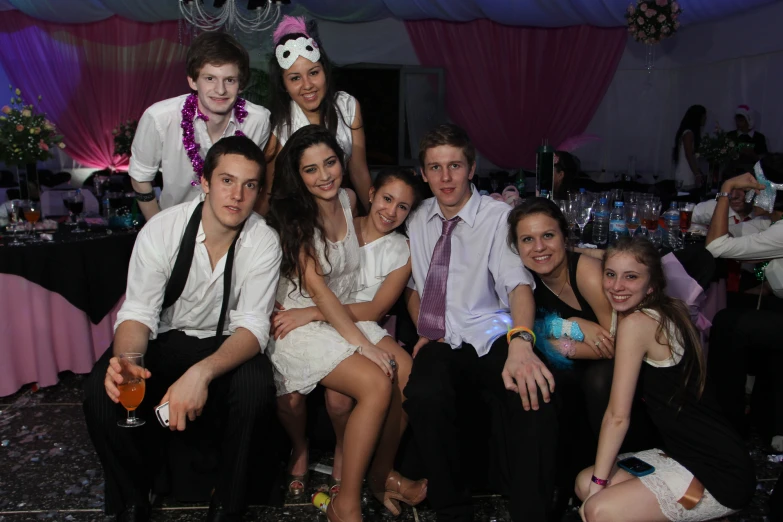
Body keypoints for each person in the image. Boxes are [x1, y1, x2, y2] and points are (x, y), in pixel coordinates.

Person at [83, 136, 282, 522]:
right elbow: (138, 313)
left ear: (258, 193)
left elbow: (254, 329)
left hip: (226, 344)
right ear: (205, 182)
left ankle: (228, 502)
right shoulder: (162, 230)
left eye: (250, 185)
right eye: (227, 180)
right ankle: (133, 500)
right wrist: (127, 363)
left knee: (256, 386)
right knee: (100, 390)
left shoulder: (263, 241)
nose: (237, 195)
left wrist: (202, 373)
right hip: (163, 338)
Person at [265, 125, 426, 522]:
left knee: (408, 373)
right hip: (297, 322)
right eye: (310, 169)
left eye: (331, 163)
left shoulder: (348, 198)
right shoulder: (295, 216)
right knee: (376, 380)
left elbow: (349, 285)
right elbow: (318, 292)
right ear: (297, 175)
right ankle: (346, 503)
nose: (324, 176)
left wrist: (363, 338)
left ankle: (381, 473)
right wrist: (365, 345)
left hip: (338, 315)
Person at [403, 123, 557, 522]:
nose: (445, 177)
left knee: (531, 391)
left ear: (471, 169)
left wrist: (521, 343)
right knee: (423, 392)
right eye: (435, 168)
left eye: (455, 165)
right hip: (442, 338)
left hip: (491, 334)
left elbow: (518, 285)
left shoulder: (497, 217)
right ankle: (452, 510)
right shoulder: (417, 217)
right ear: (423, 173)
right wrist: (424, 325)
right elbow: (411, 286)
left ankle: (531, 512)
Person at [575, 237, 756, 522]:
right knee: (584, 482)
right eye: (610, 274)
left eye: (630, 277)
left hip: (718, 471)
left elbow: (617, 417)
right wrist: (576, 249)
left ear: (652, 284)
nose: (616, 286)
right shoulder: (670, 307)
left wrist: (599, 489)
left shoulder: (637, 323)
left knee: (596, 507)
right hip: (680, 453)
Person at [129, 32, 271, 220]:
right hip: (174, 225)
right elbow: (140, 178)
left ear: (241, 84)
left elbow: (251, 180)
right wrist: (157, 229)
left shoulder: (258, 120)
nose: (220, 90)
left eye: (229, 80)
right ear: (193, 81)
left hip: (233, 227)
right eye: (210, 78)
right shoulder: (160, 118)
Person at [256, 16, 372, 215]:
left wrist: (377, 221)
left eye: (313, 73)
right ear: (284, 84)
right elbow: (268, 192)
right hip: (298, 221)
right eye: (295, 78)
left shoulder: (347, 106)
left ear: (325, 71)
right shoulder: (278, 126)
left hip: (342, 212)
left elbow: (359, 171)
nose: (307, 85)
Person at [706, 154, 783, 449]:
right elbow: (732, 233)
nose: (749, 189)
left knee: (726, 322)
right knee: (738, 310)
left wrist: (725, 188)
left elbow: (715, 246)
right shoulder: (773, 223)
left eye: (753, 183)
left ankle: (727, 421)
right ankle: (758, 418)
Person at [672, 105, 707, 191]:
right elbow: (689, 155)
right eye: (703, 117)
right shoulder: (688, 134)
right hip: (685, 175)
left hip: (687, 174)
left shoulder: (688, 133)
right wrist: (697, 174)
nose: (705, 119)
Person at [726, 104, 769, 173]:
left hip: (752, 173)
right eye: (737, 120)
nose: (738, 123)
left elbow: (764, 159)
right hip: (732, 172)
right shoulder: (731, 135)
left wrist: (753, 154)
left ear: (749, 120)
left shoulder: (759, 137)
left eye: (741, 120)